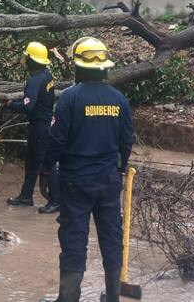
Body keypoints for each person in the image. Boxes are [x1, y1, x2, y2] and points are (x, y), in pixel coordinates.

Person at [39, 37, 135, 302]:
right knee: (111, 238)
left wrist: (46, 170)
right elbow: (126, 141)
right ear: (104, 67)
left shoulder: (70, 98)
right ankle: (113, 296)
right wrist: (120, 168)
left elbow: (56, 140)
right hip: (108, 182)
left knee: (73, 239)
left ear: (78, 67)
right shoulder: (119, 100)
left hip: (75, 182)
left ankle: (68, 298)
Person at [4, 41, 61, 214]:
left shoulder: (34, 80)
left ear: (32, 60)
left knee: (46, 163)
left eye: (27, 57)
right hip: (44, 124)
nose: (25, 60)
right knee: (31, 162)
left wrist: (9, 105)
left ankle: (57, 200)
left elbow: (28, 106)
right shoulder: (47, 74)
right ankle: (25, 196)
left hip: (40, 127)